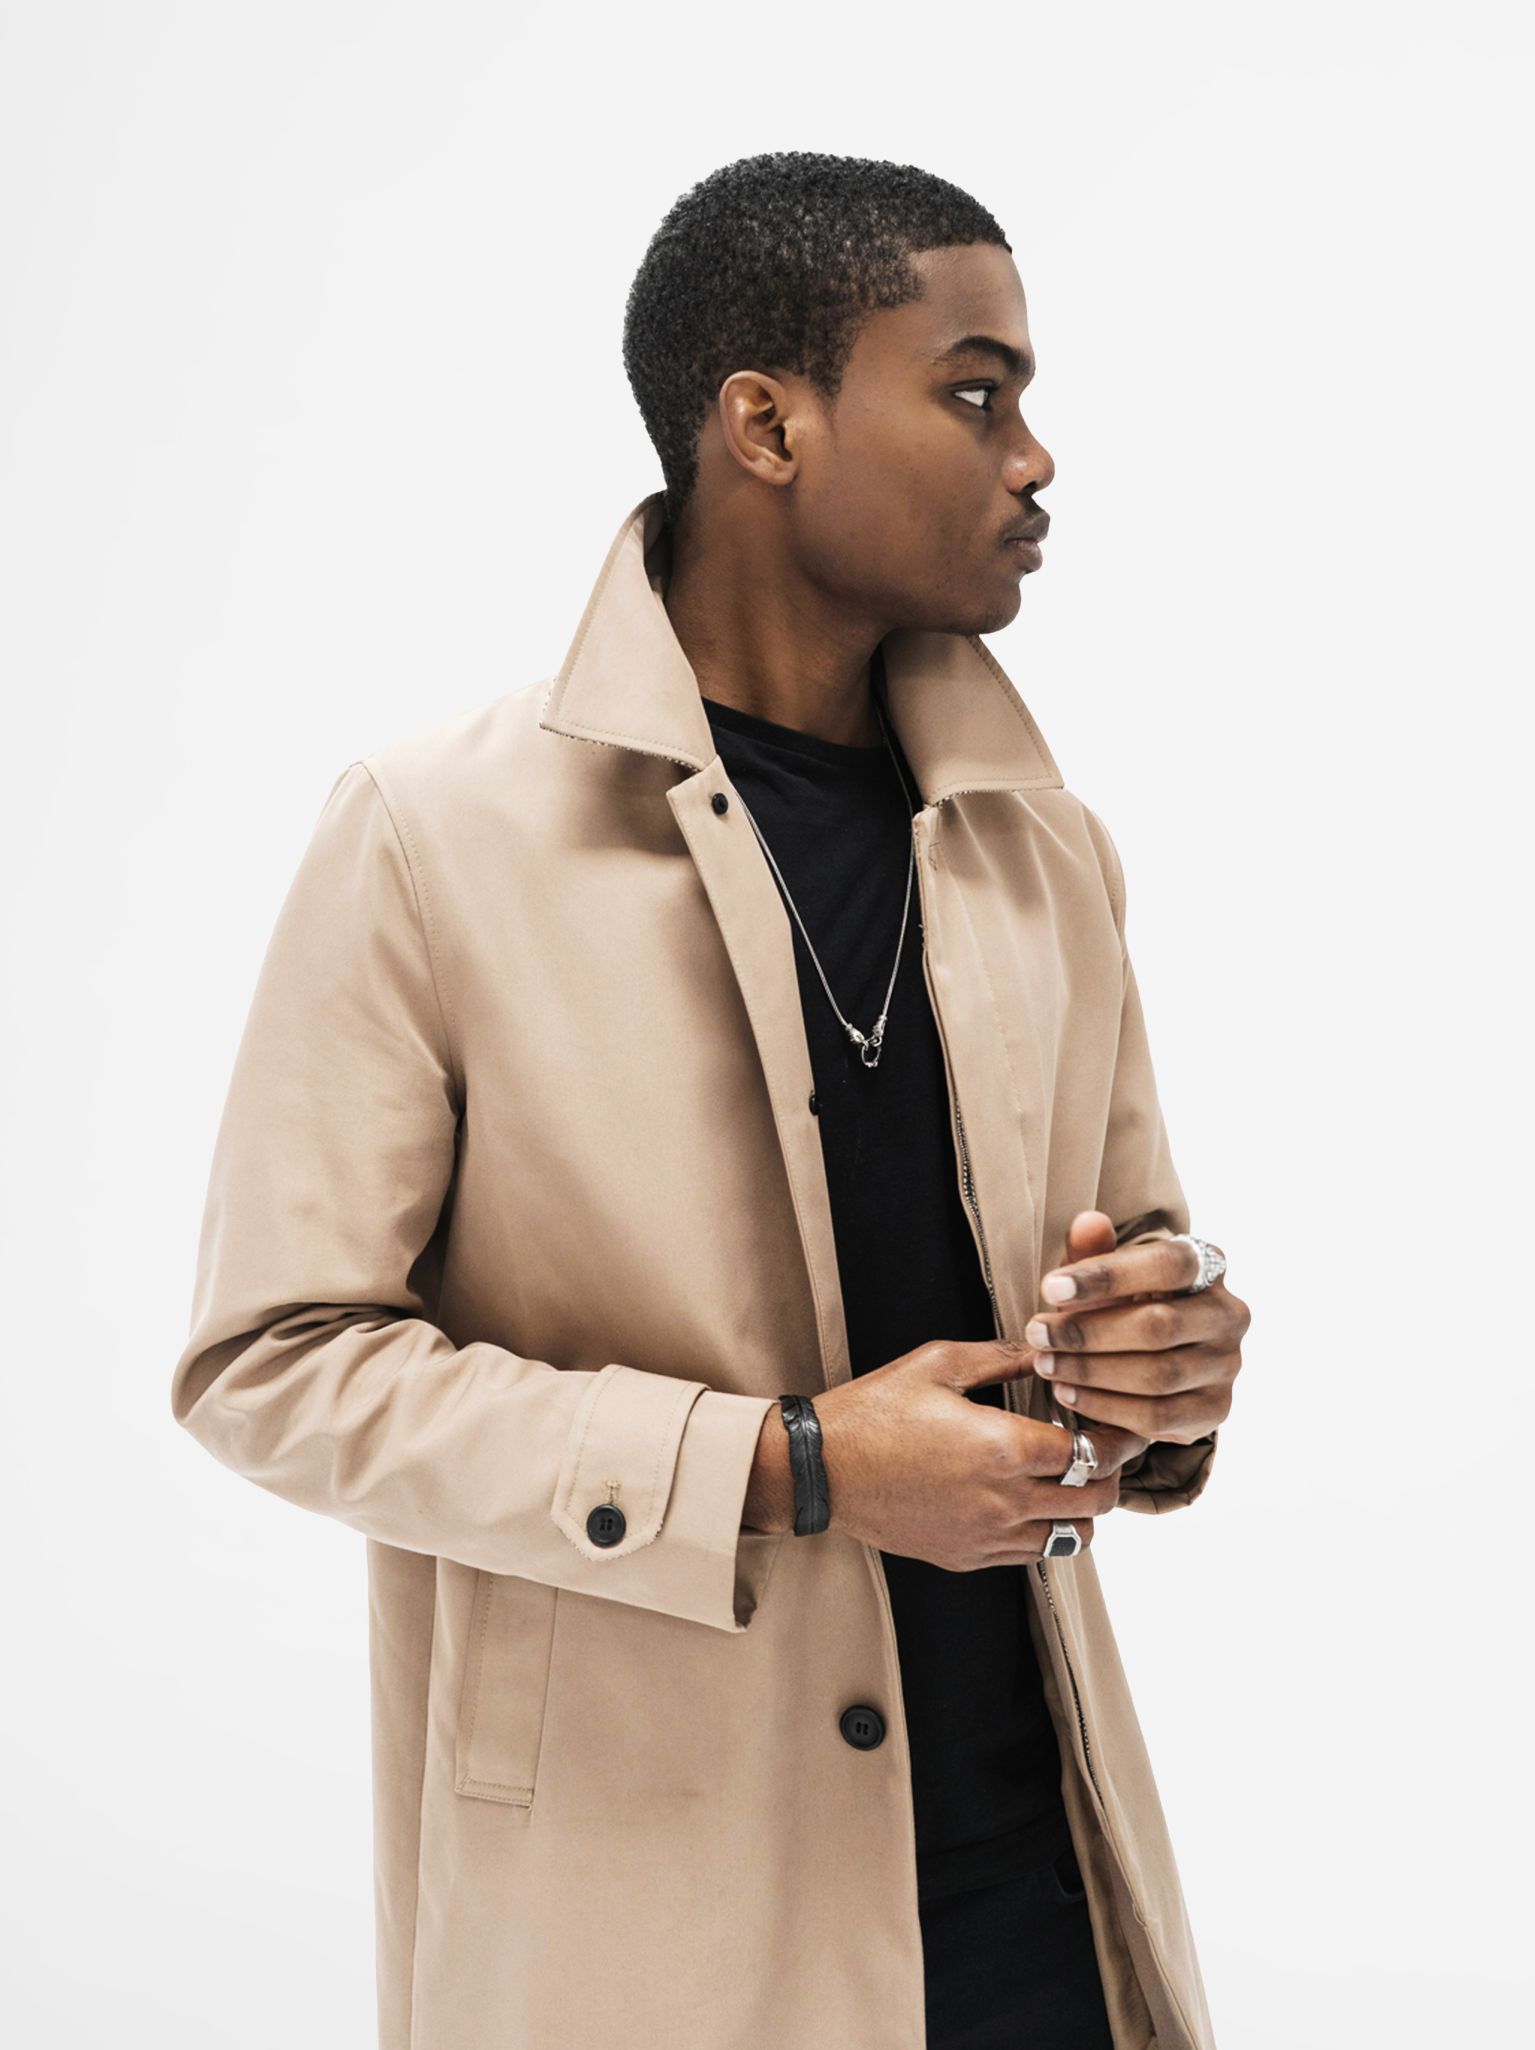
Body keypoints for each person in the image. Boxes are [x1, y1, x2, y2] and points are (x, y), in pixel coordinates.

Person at [171, 150, 1249, 2050]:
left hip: (1033, 1897)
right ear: (765, 423)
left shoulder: (1041, 847)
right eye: (975, 391)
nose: (1035, 459)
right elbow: (272, 1364)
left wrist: (1162, 1371)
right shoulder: (434, 837)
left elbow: (1128, 1262)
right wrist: (792, 1463)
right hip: (649, 1932)